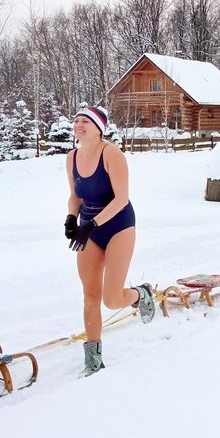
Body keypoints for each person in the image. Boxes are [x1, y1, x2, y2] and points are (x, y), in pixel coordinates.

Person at [65, 105, 155, 377]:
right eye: (77, 121)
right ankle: (93, 359)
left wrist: (90, 224)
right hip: (88, 230)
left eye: (85, 122)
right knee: (90, 296)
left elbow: (121, 199)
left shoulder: (111, 153)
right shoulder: (72, 157)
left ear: (98, 128)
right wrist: (71, 219)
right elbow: (75, 196)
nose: (79, 125)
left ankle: (141, 294)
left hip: (118, 226)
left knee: (113, 299)